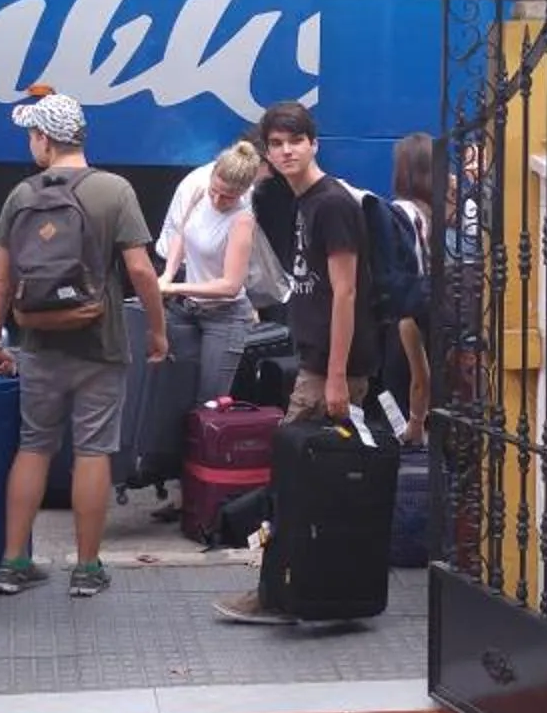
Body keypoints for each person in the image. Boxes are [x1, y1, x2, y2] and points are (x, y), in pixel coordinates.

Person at [0, 94, 166, 597]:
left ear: (44, 138)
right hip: (100, 344)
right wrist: (157, 329)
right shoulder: (115, 190)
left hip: (38, 344)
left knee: (34, 446)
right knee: (93, 451)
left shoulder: (21, 195)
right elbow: (140, 271)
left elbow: (0, 282)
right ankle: (87, 570)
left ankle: (13, 561)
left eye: (31, 136)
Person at [215, 101, 378, 625]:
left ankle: (278, 594)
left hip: (328, 369)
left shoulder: (331, 204)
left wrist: (334, 377)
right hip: (316, 361)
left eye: (295, 141)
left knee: (295, 485)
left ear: (314, 144)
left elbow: (347, 292)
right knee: (309, 485)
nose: (285, 151)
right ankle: (300, 588)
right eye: (277, 144)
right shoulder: (303, 201)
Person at [158, 140, 272, 402]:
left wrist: (174, 287)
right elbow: (181, 235)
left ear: (243, 192)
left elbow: (230, 285)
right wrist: (168, 273)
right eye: (215, 191)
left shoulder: (242, 220)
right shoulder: (200, 193)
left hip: (226, 316)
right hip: (188, 309)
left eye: (228, 197)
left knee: (209, 400)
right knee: (173, 388)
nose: (218, 200)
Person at [380, 132, 436, 448]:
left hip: (404, 321)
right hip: (432, 319)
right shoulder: (438, 214)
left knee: (397, 410)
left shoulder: (399, 212)